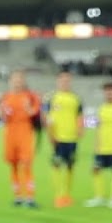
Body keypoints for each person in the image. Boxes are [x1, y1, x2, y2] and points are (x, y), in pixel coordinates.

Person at [0, 70, 40, 207]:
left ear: (23, 81)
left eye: (20, 79)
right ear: (10, 81)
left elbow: (35, 113)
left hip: (25, 131)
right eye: (14, 79)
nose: (17, 82)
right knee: (13, 165)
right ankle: (18, 196)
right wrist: (0, 112)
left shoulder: (30, 96)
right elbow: (0, 116)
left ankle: (30, 196)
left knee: (26, 164)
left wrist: (29, 110)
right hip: (10, 132)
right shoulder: (5, 97)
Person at [44, 71, 83, 208]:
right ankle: (58, 195)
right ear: (58, 81)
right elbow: (47, 118)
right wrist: (50, 134)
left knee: (70, 166)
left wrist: (80, 128)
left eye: (67, 81)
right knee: (57, 165)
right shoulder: (51, 98)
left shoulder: (75, 98)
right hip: (58, 137)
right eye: (62, 81)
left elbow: (79, 116)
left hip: (72, 137)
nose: (65, 83)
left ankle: (66, 194)